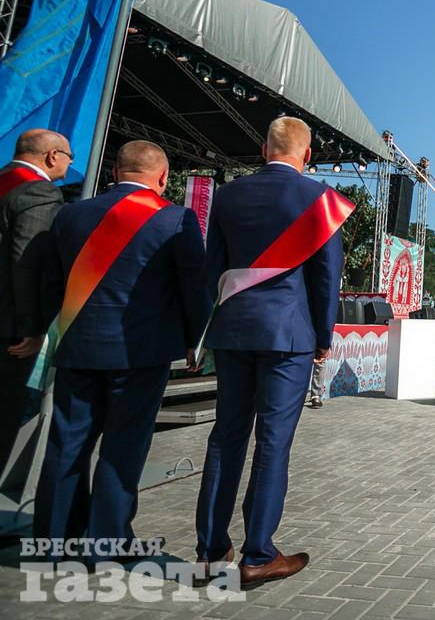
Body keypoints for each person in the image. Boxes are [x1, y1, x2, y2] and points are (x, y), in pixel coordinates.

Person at [33, 141, 209, 563]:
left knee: (66, 442)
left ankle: (53, 542)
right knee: (123, 446)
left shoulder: (71, 214)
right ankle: (107, 543)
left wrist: (48, 333)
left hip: (77, 346)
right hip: (140, 354)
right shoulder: (175, 219)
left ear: (114, 171)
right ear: (163, 177)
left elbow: (49, 282)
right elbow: (194, 287)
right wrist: (196, 340)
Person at [194, 117, 349, 585]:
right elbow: (326, 277)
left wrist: (205, 329)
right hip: (289, 335)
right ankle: (258, 554)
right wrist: (323, 336)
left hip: (233, 331)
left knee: (225, 437)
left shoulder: (227, 196)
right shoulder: (320, 200)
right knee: (273, 442)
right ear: (308, 155)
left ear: (264, 150)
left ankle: (210, 551)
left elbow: (212, 269)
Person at [0, 129, 69, 477]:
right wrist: (32, 327)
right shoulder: (38, 192)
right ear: (52, 156)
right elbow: (27, 261)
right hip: (9, 331)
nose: (69, 164)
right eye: (69, 156)